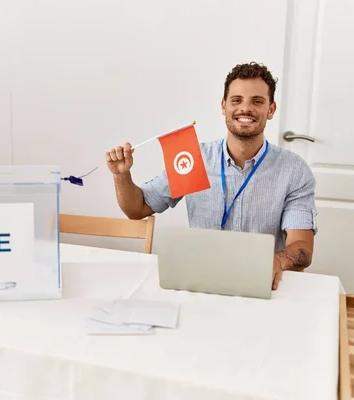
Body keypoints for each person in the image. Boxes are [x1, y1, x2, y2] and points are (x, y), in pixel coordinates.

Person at [105, 62, 317, 290]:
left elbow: (302, 247)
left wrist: (278, 260)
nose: (245, 109)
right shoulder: (193, 159)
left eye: (257, 101)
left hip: (261, 283)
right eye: (236, 100)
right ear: (224, 106)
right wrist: (121, 176)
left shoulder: (293, 170)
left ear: (271, 109)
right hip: (200, 282)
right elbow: (137, 209)